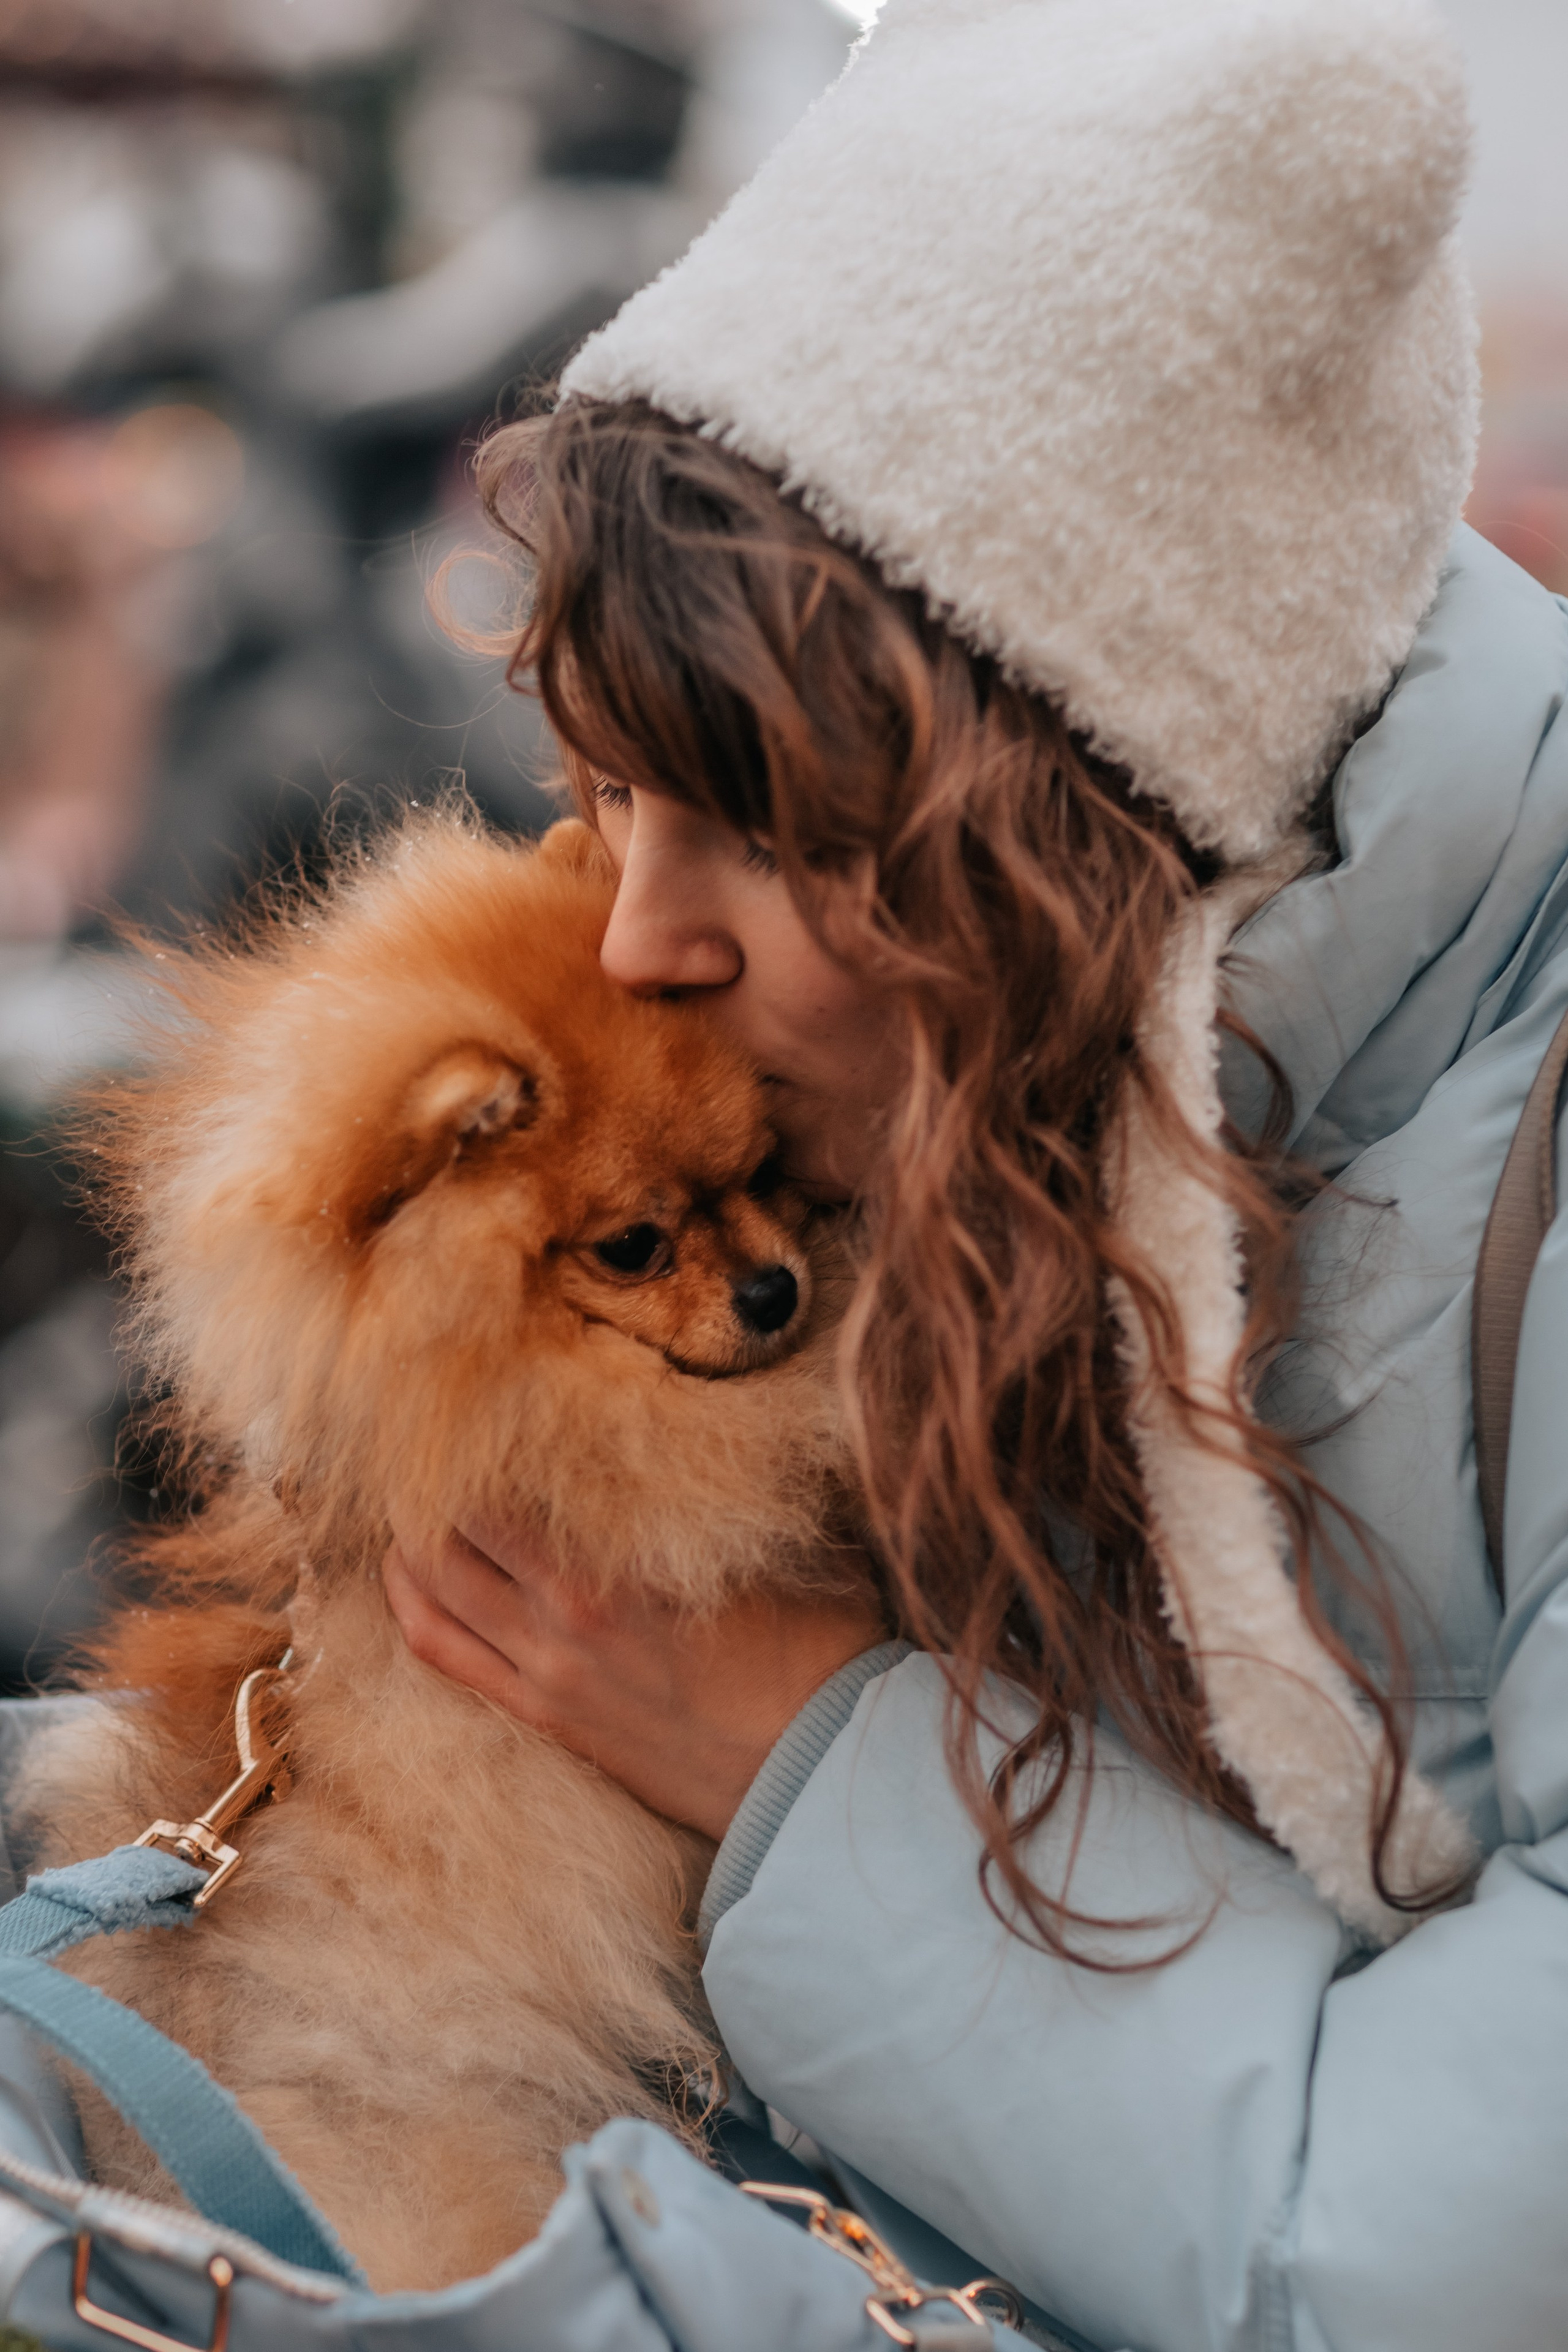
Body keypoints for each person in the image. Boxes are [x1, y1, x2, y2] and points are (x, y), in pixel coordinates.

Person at [383, 2, 1568, 2345]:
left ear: (1074, 802)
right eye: (610, 795)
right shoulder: (968, 1117)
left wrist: (798, 1756)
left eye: (764, 827)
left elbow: (1454, 2262)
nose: (636, 939)